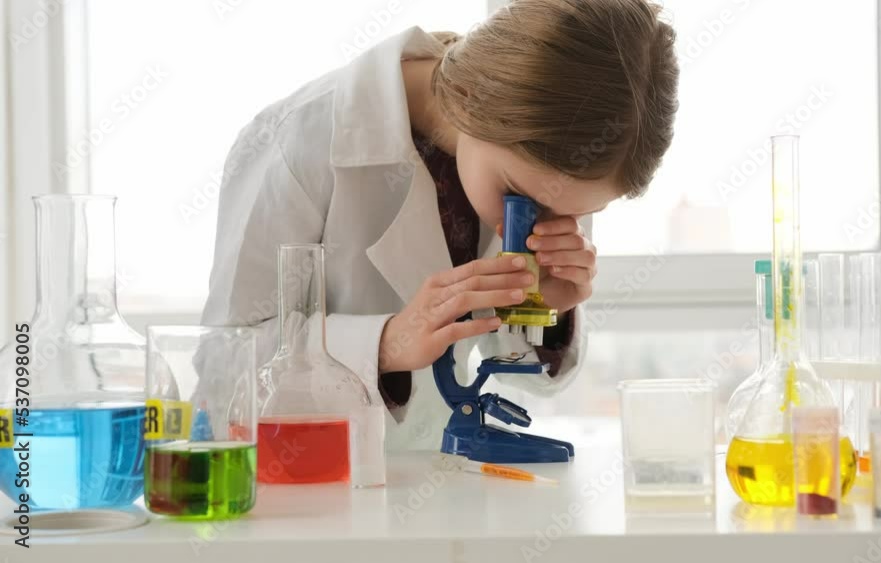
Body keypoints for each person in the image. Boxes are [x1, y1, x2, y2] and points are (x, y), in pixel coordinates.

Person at [202, 0, 679, 450]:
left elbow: (517, 375)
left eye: (574, 212)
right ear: (473, 97)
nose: (539, 222)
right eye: (524, 195)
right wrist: (384, 344)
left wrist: (545, 312)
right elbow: (222, 373)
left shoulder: (551, 165)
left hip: (447, 495)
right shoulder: (299, 137)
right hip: (305, 499)